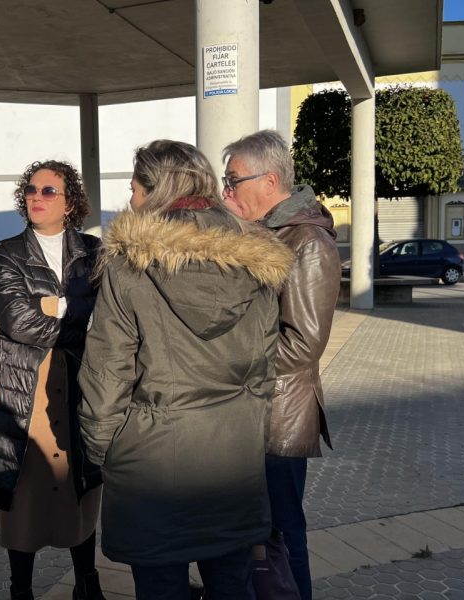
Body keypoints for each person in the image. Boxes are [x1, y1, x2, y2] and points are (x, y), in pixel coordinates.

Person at [78, 140, 294, 600]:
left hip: (151, 465)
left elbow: (106, 375)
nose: (130, 198)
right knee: (233, 585)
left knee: (160, 588)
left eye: (135, 188)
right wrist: (248, 434)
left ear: (156, 190)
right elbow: (264, 370)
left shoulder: (129, 264)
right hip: (232, 459)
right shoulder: (257, 260)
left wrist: (101, 449)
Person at [0, 160, 105, 600]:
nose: (36, 197)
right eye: (31, 189)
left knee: (79, 485)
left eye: (49, 191)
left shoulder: (92, 251)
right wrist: (74, 318)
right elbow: (16, 320)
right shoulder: (8, 251)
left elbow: (105, 312)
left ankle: (87, 582)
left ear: (70, 203)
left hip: (78, 386)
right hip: (24, 389)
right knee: (24, 495)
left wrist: (52, 307)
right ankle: (21, 590)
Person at [221, 129, 340, 600]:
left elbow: (303, 344)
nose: (227, 190)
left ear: (269, 181)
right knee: (258, 537)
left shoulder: (308, 242)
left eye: (233, 180)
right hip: (253, 408)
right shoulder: (266, 232)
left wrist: (229, 369)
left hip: (279, 416)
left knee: (283, 537)